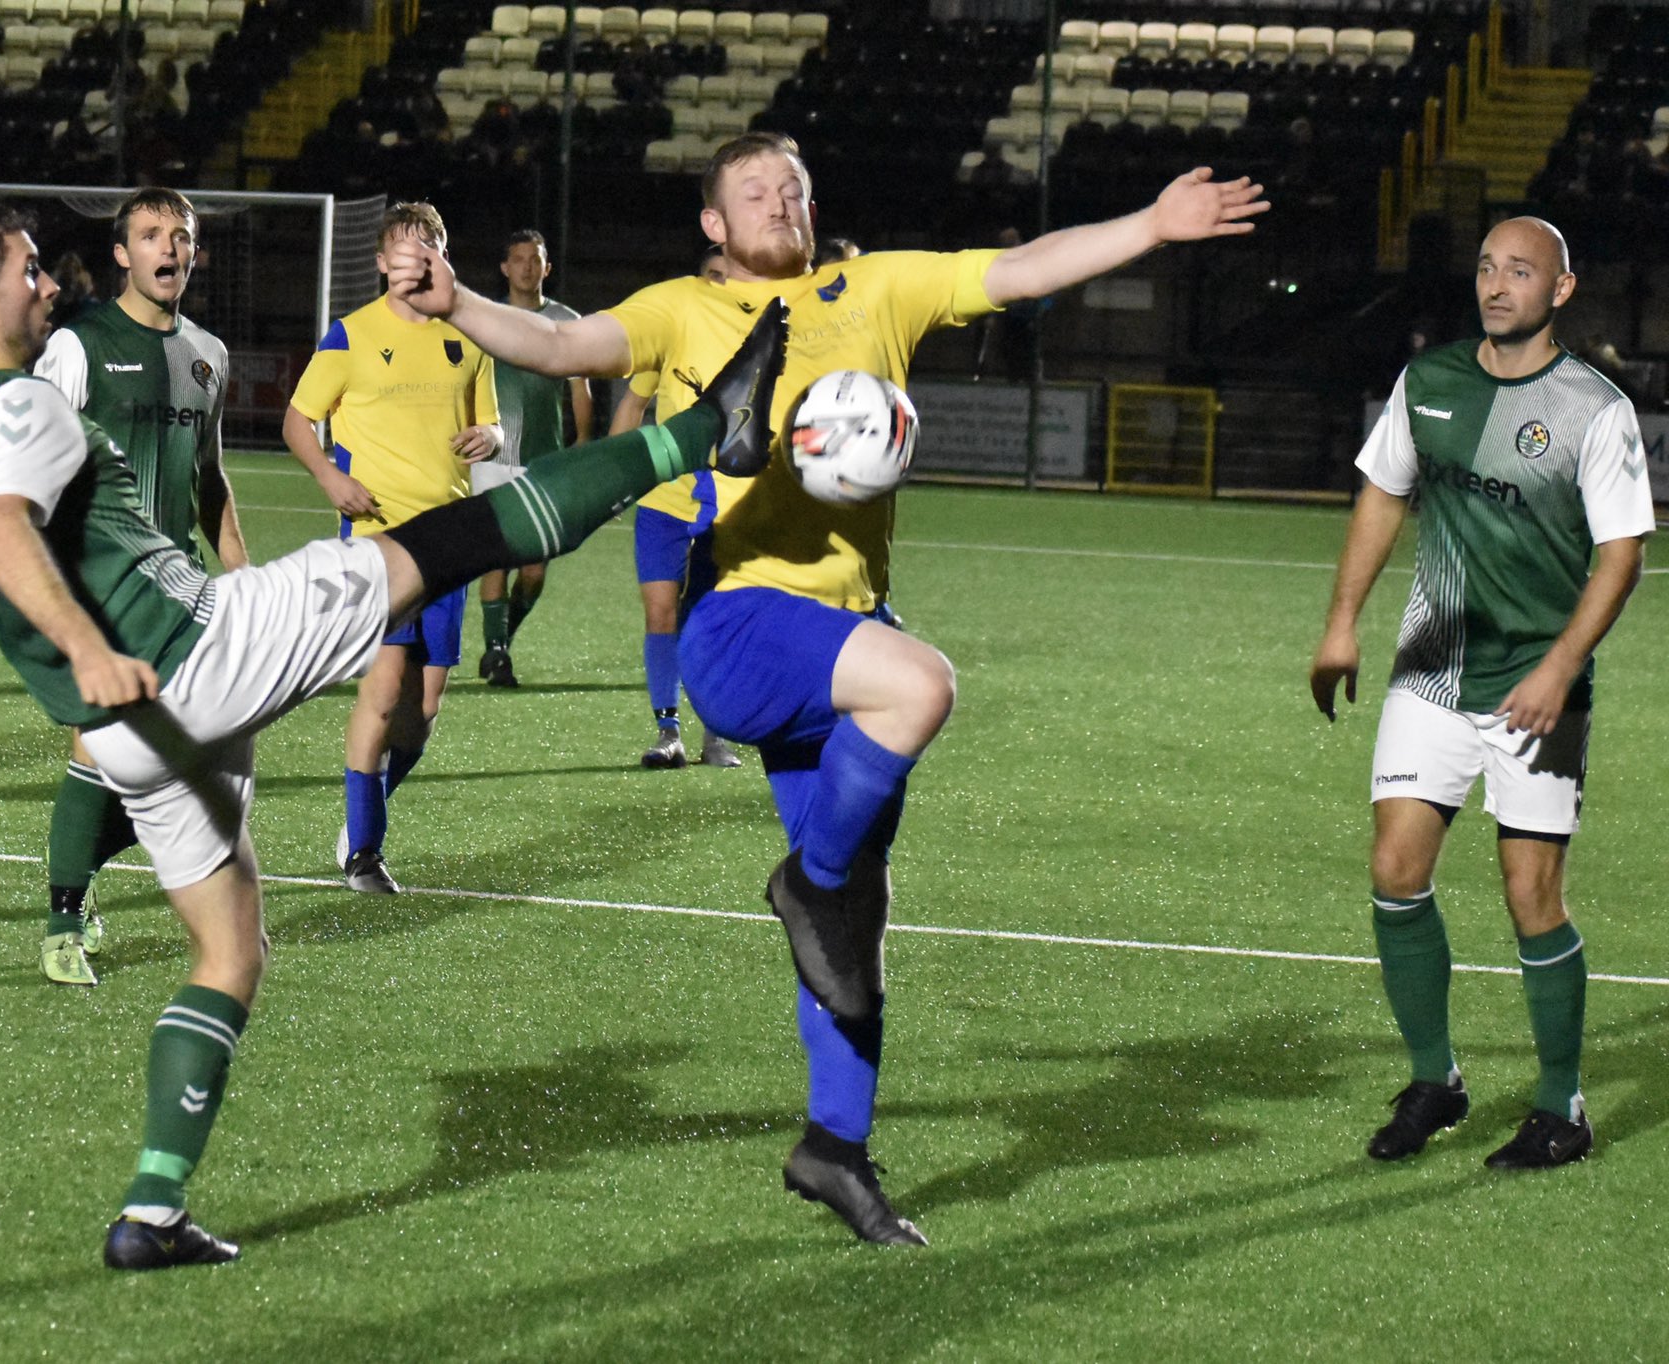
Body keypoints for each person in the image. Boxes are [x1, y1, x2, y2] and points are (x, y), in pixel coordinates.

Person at [385, 131, 1267, 1245]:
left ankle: (833, 1146)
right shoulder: (681, 311)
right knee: (918, 693)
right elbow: (565, 348)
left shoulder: (874, 288)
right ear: (712, 222)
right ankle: (804, 883)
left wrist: (1147, 225)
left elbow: (1018, 269)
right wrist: (456, 297)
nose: (778, 199)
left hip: (842, 629)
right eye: (752, 189)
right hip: (741, 621)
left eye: (793, 185)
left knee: (854, 924)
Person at [0, 197, 785, 1270]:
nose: (49, 285)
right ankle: (704, 431)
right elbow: (5, 531)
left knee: (230, 950)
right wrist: (86, 643)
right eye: (30, 272)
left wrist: (88, 665)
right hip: (194, 651)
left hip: (127, 728)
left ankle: (152, 1209)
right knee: (447, 541)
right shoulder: (17, 402)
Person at [1308, 217, 1651, 1171]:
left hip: (1542, 683)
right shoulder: (1433, 382)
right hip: (1433, 665)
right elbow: (1383, 493)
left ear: (1562, 290)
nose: (1498, 286)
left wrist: (1556, 669)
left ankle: (1560, 1107)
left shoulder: (1595, 408)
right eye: (1488, 268)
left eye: (1521, 272)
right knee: (1394, 870)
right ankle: (1436, 1081)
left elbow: (1622, 557)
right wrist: (1342, 622)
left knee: (1531, 893)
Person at [30, 186, 246, 987]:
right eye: (151, 235)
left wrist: (243, 580)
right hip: (98, 581)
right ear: (122, 254)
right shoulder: (79, 347)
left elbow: (211, 481)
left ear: (195, 253)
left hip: (181, 586)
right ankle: (61, 925)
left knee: (190, 770)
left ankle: (75, 864)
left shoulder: (209, 356)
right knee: (101, 746)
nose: (168, 248)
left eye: (180, 236)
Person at [282, 202, 502, 896]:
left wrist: (490, 439)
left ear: (441, 255)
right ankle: (364, 854)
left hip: (451, 539)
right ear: (381, 263)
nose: (415, 259)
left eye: (428, 247)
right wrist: (330, 477)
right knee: (381, 693)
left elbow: (489, 422)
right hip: (377, 543)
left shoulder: (467, 336)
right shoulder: (350, 335)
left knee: (424, 709)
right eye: (403, 250)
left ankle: (364, 808)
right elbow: (297, 418)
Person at [609, 243, 741, 769]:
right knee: (660, 612)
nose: (719, 286)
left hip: (723, 504)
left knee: (709, 620)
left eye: (728, 277)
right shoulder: (674, 335)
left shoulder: (754, 346)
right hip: (665, 500)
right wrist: (616, 480)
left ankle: (716, 735)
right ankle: (668, 732)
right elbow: (634, 404)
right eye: (712, 275)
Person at [473, 229, 595, 689]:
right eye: (518, 258)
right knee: (495, 559)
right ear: (505, 268)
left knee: (536, 567)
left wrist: (583, 438)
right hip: (492, 454)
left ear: (548, 268)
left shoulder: (566, 320)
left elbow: (579, 387)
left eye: (535, 259)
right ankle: (498, 654)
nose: (526, 266)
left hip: (547, 458)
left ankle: (501, 638)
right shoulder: (485, 318)